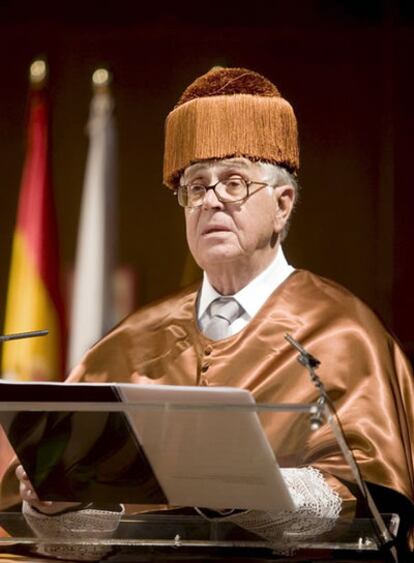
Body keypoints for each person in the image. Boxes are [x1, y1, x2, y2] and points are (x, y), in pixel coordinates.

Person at [2, 67, 414, 558]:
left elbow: (371, 510)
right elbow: (76, 542)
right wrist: (54, 511)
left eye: (234, 182)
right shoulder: (132, 339)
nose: (210, 200)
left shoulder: (344, 334)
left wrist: (241, 489)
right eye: (195, 187)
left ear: (283, 204)